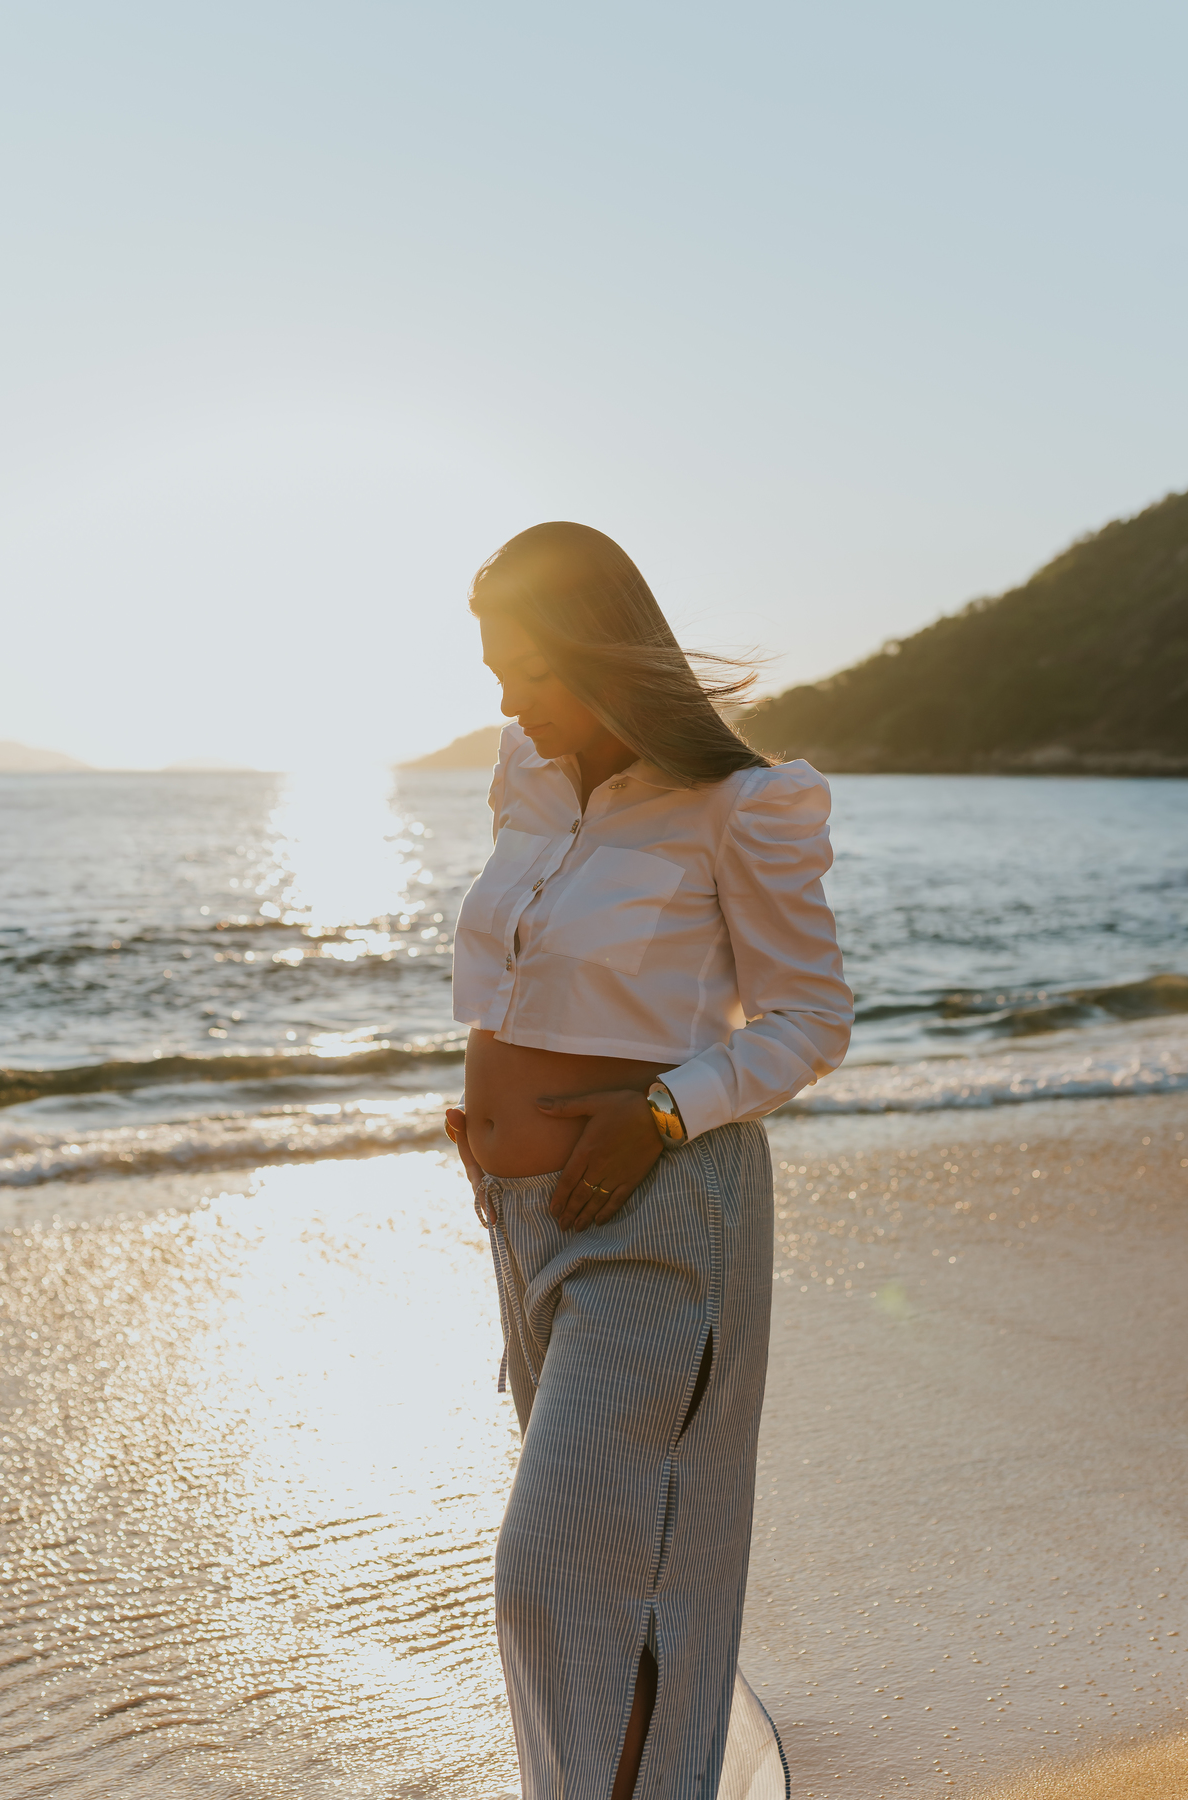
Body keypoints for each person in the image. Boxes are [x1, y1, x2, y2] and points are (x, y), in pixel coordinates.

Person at [444, 522, 852, 1800]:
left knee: (559, 1580)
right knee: (603, 1587)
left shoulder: (746, 805)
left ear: (605, 655)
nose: (508, 697)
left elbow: (811, 1023)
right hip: (523, 1216)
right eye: (494, 666)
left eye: (529, 666)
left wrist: (668, 1112)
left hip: (662, 1217)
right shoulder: (531, 773)